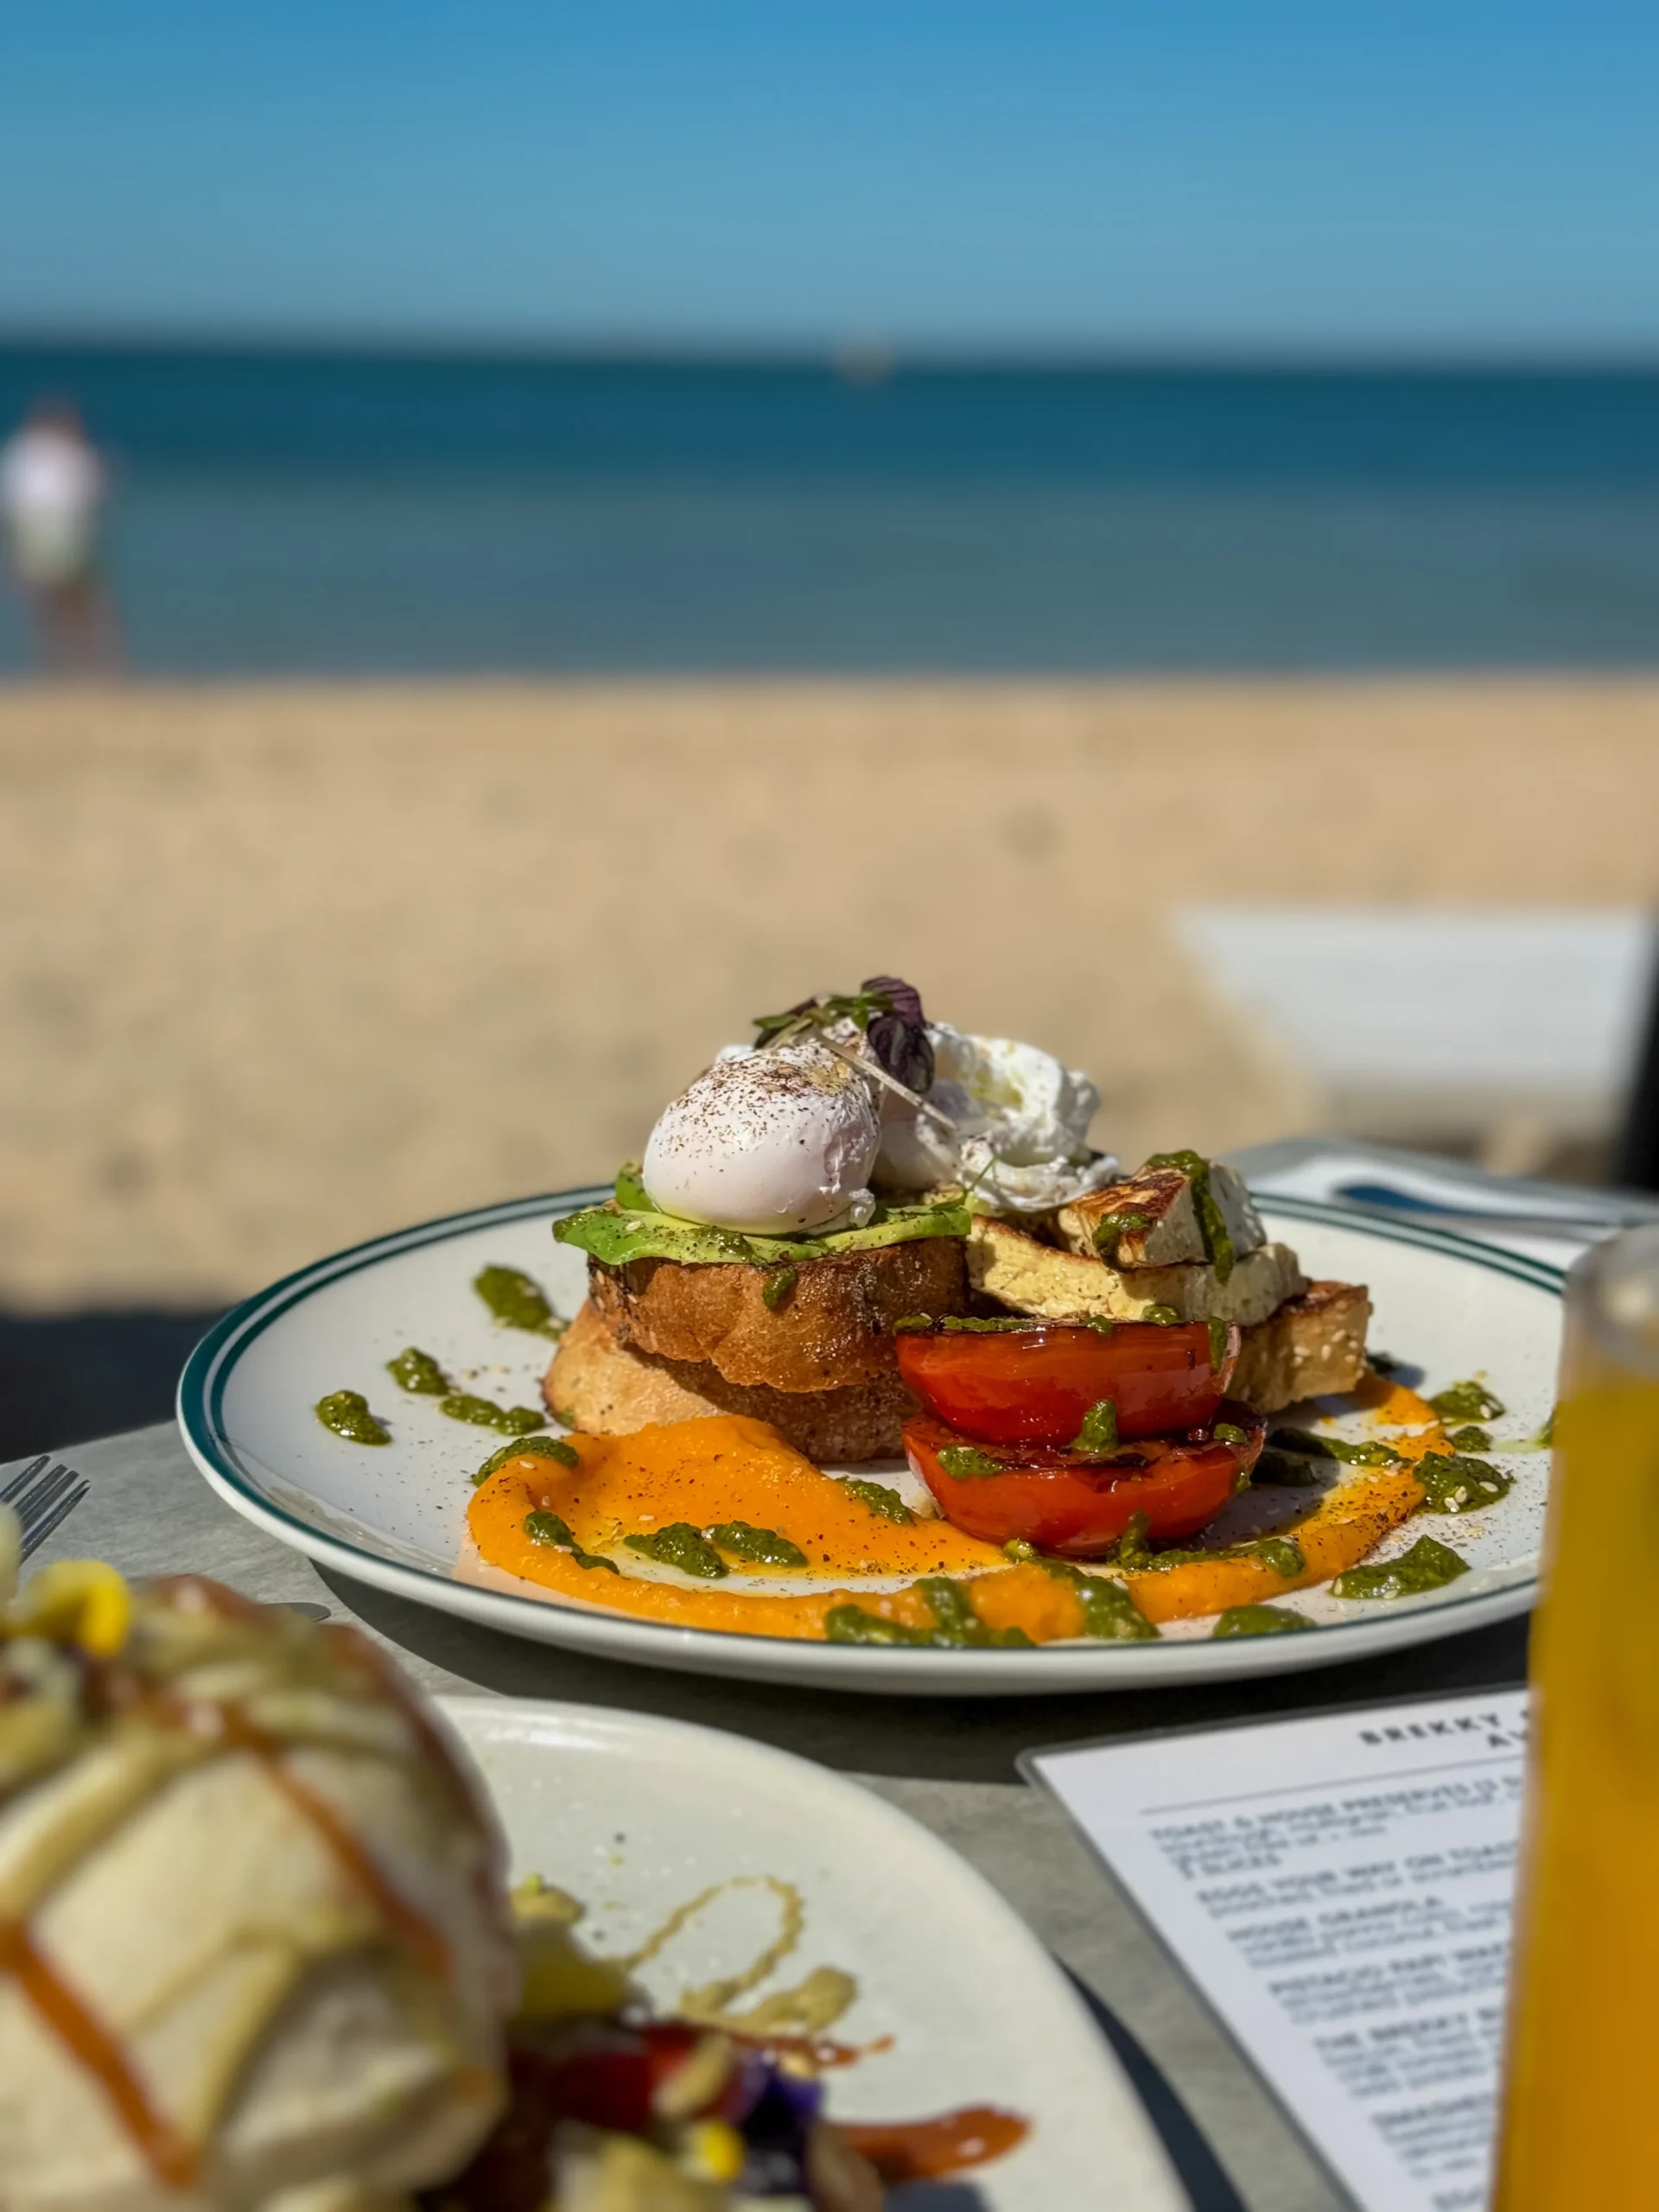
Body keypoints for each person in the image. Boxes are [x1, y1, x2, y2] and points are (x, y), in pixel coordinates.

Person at [0, 398, 120, 671]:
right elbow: (94, 492)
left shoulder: (19, 453)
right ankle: (97, 664)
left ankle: (59, 665)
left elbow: (10, 508)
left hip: (34, 537)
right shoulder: (68, 453)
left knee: (49, 609)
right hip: (63, 535)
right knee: (86, 606)